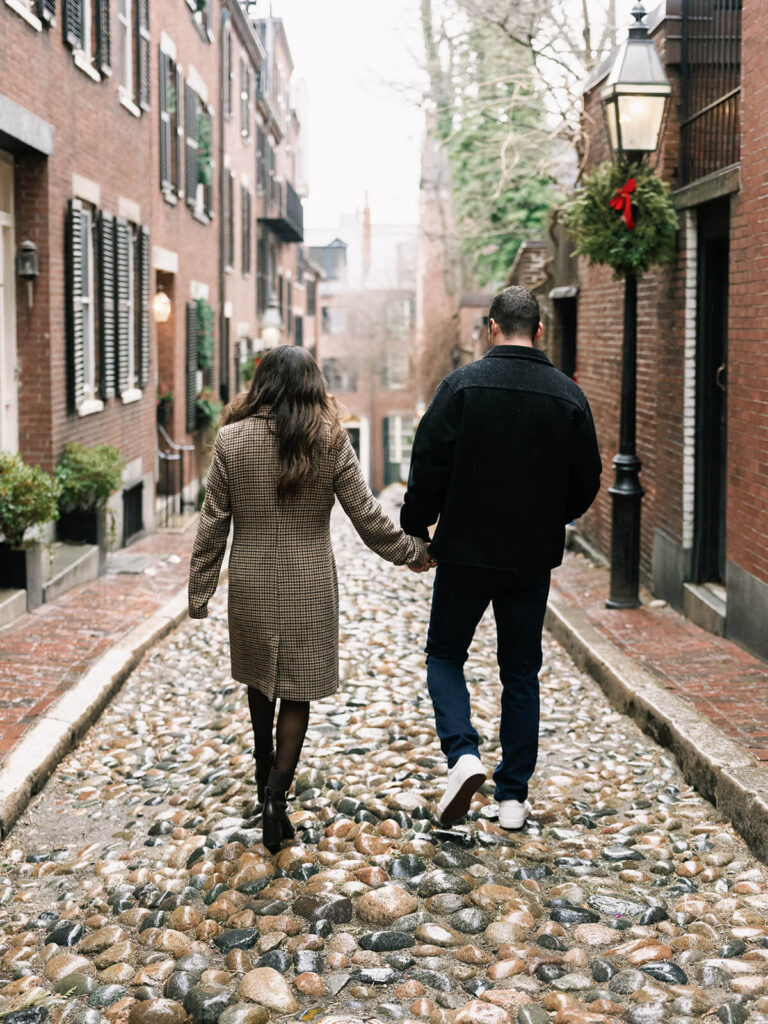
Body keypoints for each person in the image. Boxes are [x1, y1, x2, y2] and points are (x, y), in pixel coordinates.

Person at [188, 346, 429, 853]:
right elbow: (367, 518)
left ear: (264, 385)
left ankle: (262, 783)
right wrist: (412, 552)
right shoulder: (331, 439)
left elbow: (214, 522)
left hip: (251, 582)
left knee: (258, 681)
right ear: (312, 384)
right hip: (310, 582)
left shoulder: (232, 440)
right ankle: (278, 794)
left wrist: (201, 590)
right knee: (296, 690)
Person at [401, 285, 602, 830]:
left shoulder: (460, 387)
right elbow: (587, 480)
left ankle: (462, 754)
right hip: (529, 558)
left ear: (492, 327)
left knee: (445, 654)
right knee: (520, 670)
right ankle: (513, 797)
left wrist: (417, 527)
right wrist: (548, 517)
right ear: (539, 331)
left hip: (464, 550)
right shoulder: (567, 396)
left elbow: (428, 464)